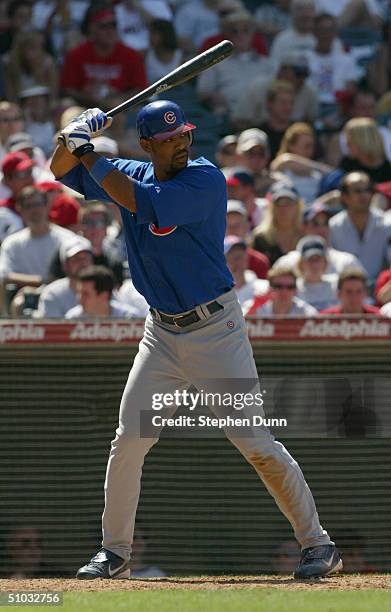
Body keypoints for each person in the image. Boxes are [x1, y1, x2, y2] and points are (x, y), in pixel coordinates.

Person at [50, 100, 342, 580]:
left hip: (215, 331)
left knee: (253, 441)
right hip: (160, 333)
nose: (181, 144)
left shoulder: (205, 178)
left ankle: (319, 544)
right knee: (129, 440)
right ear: (147, 145)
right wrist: (73, 135)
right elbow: (59, 167)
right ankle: (115, 552)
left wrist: (89, 153)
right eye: (169, 139)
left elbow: (139, 201)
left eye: (184, 134)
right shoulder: (125, 167)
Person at [60, 2, 147, 109]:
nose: (110, 31)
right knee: (66, 104)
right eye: (104, 26)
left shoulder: (131, 55)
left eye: (113, 25)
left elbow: (141, 90)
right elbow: (67, 90)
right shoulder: (76, 55)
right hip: (85, 110)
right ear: (92, 29)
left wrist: (118, 96)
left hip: (121, 110)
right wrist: (85, 96)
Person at [196, 10, 275, 119]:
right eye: (234, 31)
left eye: (245, 30)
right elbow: (202, 93)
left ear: (253, 34)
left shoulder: (267, 64)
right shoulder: (216, 63)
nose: (240, 35)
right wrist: (213, 97)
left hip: (262, 117)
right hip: (229, 116)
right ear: (227, 35)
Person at [329, 172, 391, 285]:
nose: (364, 195)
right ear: (344, 197)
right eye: (358, 191)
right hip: (348, 291)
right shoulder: (333, 226)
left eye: (368, 190)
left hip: (381, 289)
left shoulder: (387, 223)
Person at [275, 201, 364, 274]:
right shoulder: (287, 263)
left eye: (325, 223)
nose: (322, 229)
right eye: (315, 223)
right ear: (303, 227)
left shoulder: (347, 262)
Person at [270, 122, 333, 204]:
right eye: (306, 146)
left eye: (312, 146)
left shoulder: (316, 174)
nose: (310, 150)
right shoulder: (283, 165)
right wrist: (320, 168)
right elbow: (286, 159)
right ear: (291, 146)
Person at [35, 237, 93, 318]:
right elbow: (54, 328)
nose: (83, 263)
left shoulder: (104, 288)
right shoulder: (52, 293)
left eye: (86, 258)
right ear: (65, 265)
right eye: (76, 259)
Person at [252, 182, 304, 266]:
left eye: (288, 203)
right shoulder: (260, 238)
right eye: (278, 203)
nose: (284, 208)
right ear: (271, 207)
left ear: (298, 206)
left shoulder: (305, 236)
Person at [244, 264, 318, 317]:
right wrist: (253, 308)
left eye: (290, 287)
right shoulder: (255, 307)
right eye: (278, 286)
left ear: (296, 290)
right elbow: (236, 329)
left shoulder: (307, 313)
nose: (284, 291)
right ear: (269, 288)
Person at [65, 265, 136, 319]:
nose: (79, 299)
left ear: (104, 296)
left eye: (85, 294)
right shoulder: (72, 319)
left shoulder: (129, 318)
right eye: (78, 293)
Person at [226, 199, 269, 278]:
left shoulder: (259, 262)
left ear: (246, 227)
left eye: (237, 225)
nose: (232, 229)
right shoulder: (210, 260)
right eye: (227, 225)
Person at [295, 235, 338, 310]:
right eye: (310, 259)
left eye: (318, 260)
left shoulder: (337, 285)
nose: (314, 264)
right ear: (301, 264)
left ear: (325, 263)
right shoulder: (293, 288)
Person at [224, 234, 269, 306]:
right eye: (231, 258)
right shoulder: (215, 292)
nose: (237, 262)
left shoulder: (264, 288)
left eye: (240, 257)